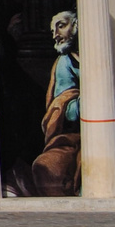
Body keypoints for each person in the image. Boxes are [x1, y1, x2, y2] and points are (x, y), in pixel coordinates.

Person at [32, 10, 82, 195]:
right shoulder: (65, 62)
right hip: (70, 136)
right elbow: (63, 107)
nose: (55, 34)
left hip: (94, 135)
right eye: (53, 29)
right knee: (47, 166)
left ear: (77, 26)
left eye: (61, 26)